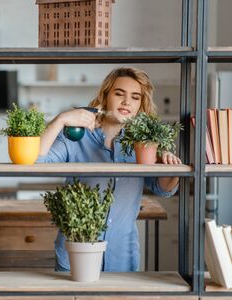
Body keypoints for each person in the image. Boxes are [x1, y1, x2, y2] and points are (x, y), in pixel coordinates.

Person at [37, 67, 181, 272]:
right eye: (119, 93)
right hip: (77, 252)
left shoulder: (142, 144)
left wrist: (172, 168)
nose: (126, 102)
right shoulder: (76, 136)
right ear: (105, 96)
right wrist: (60, 120)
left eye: (135, 97)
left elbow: (163, 189)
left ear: (140, 105)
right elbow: (37, 160)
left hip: (123, 255)